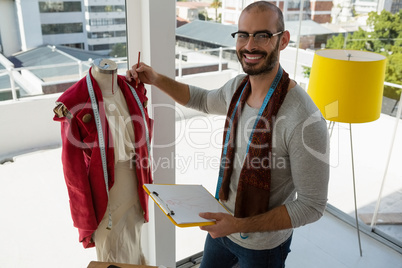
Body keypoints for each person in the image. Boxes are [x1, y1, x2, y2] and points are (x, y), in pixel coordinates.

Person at [126, 1, 329, 267]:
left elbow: (312, 206)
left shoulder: (304, 119)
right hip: (220, 227)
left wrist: (239, 225)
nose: (250, 45)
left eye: (262, 35)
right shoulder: (238, 87)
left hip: (262, 248)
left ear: (283, 40)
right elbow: (201, 99)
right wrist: (155, 78)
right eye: (243, 34)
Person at [54, 58, 153, 264]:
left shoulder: (130, 90)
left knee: (133, 247)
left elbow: (144, 139)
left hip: (135, 184)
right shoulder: (75, 101)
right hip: (105, 193)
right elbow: (73, 169)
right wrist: (84, 214)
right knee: (112, 255)